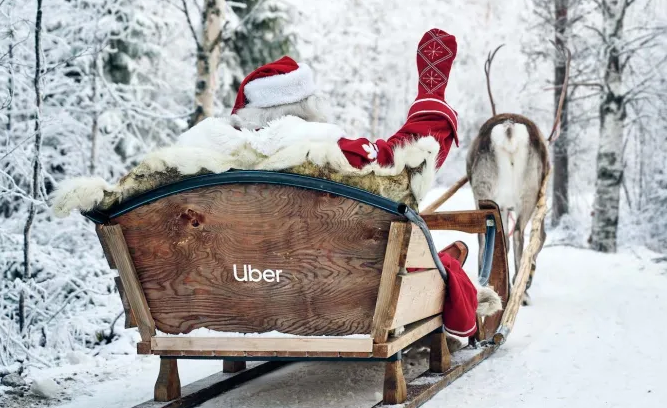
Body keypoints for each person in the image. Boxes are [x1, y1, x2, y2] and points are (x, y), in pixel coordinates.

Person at [198, 28, 497, 338]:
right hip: (333, 294)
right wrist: (431, 95)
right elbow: (403, 159)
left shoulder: (202, 164)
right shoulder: (336, 156)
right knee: (422, 261)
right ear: (309, 107)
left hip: (240, 292)